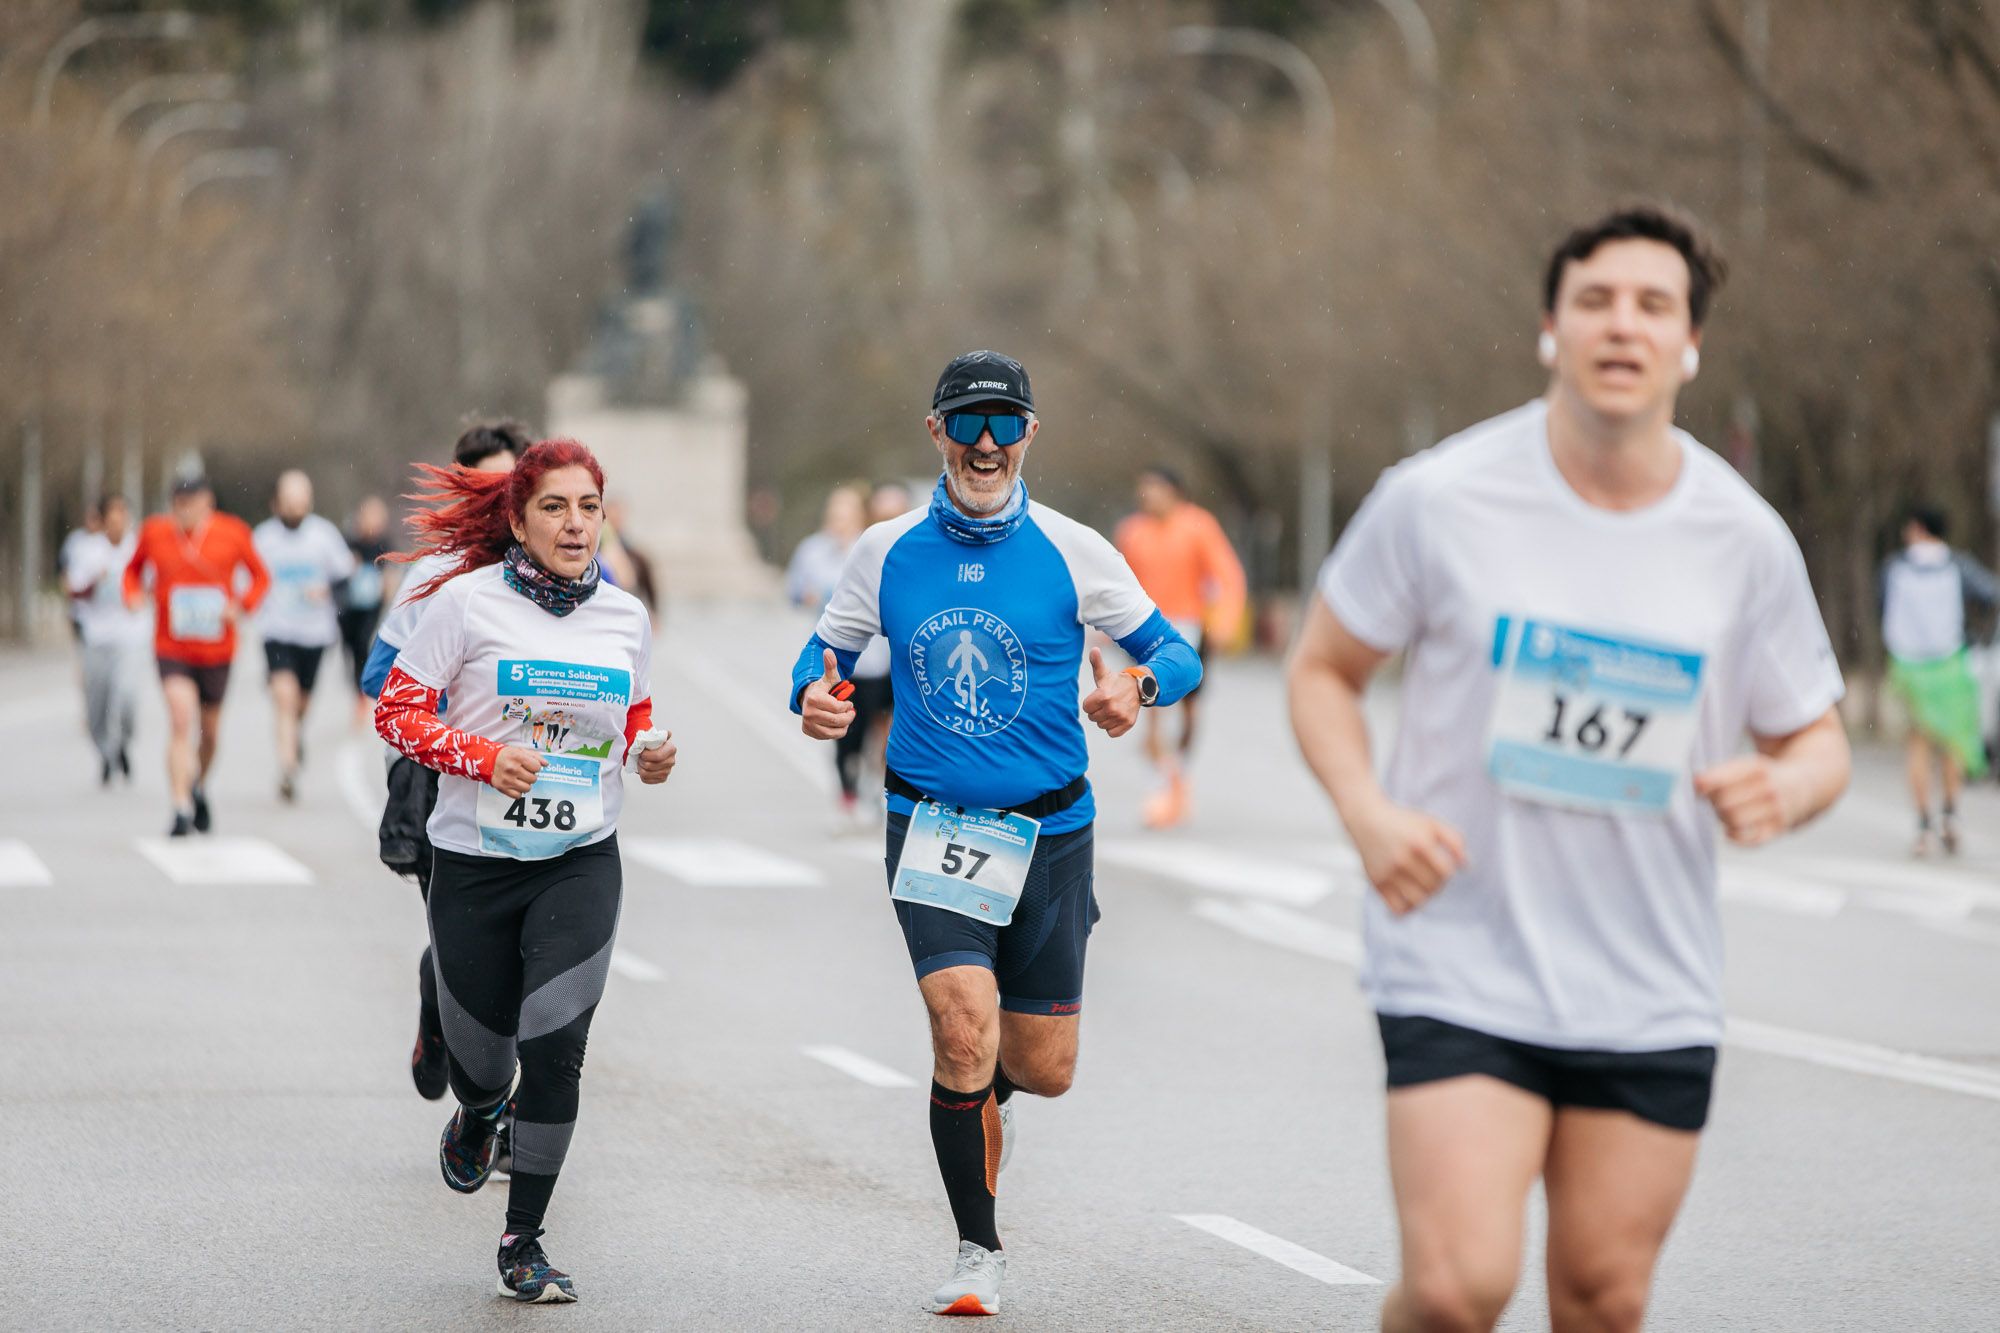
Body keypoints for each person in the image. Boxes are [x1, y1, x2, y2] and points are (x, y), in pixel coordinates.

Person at [1286, 203, 1851, 1333]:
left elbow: (1817, 736)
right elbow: (1321, 670)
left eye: (1653, 305)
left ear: (1689, 345)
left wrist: (1783, 787)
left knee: (1601, 1296)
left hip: (1647, 977)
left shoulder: (1741, 538)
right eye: (1592, 300)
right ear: (1550, 328)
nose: (1620, 325)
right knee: (1455, 1288)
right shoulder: (1439, 498)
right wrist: (1365, 811)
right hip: (1457, 952)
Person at [789, 351, 1201, 1316]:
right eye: (966, 423)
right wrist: (812, 691)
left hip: (1053, 830)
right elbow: (826, 648)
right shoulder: (885, 551)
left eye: (1003, 423)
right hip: (929, 822)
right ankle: (978, 1248)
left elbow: (1176, 652)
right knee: (961, 1026)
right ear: (935, 431)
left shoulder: (1074, 548)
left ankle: (980, 1102)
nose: (985, 444)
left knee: (1038, 1068)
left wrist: (1134, 688)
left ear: (1029, 435)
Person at [376, 437, 674, 1305]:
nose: (575, 523)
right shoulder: (463, 606)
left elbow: (634, 713)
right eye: (554, 506)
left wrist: (648, 752)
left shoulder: (625, 616)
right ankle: (476, 1109)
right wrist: (477, 756)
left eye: (588, 507)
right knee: (485, 1066)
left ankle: (524, 1239)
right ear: (517, 518)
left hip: (579, 858)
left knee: (558, 1044)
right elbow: (398, 711)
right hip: (473, 863)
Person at [361, 420, 529, 1105]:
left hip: (534, 785)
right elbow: (380, 677)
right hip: (446, 782)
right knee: (465, 949)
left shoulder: (561, 575)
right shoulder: (437, 576)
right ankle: (442, 1020)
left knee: (530, 949)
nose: (499, 499)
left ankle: (512, 1110)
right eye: (484, 486)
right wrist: (463, 712)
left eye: (511, 485)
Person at [124, 476, 271, 837]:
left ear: (208, 501)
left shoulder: (232, 531)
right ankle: (179, 807)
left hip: (217, 648)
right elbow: (132, 570)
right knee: (180, 719)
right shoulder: (155, 531)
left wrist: (241, 607)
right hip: (171, 646)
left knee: (210, 735)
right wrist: (132, 595)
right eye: (179, 502)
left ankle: (198, 785)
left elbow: (261, 577)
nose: (184, 509)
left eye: (191, 501)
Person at [1113, 465, 1247, 829]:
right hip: (1145, 628)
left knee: (1189, 712)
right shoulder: (1132, 531)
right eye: (1144, 489)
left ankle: (1179, 773)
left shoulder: (1198, 526)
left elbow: (1227, 576)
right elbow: (1119, 582)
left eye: (1155, 488)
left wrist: (1223, 624)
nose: (1149, 496)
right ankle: (1162, 785)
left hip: (1191, 628)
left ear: (1174, 492)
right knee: (1151, 706)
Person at [1880, 504, 1997, 855]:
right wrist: (1976, 633)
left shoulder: (1895, 568)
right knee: (1953, 743)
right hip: (1949, 664)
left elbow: (1882, 607)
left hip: (1910, 665)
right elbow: (1991, 593)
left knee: (1918, 744)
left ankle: (1922, 824)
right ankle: (1950, 813)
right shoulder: (1958, 566)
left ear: (1916, 527)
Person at [252, 470, 357, 801]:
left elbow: (344, 579)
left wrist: (325, 591)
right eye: (289, 500)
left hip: (314, 634)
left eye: (301, 500)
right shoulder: (263, 538)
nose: (296, 507)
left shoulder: (323, 535)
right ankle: (288, 768)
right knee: (284, 697)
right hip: (277, 630)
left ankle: (293, 736)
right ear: (277, 503)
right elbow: (248, 581)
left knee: (301, 703)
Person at [787, 485, 872, 825]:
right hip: (839, 664)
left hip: (880, 660)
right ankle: (848, 796)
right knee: (847, 734)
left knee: (882, 733)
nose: (840, 521)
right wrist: (807, 596)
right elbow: (793, 591)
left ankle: (877, 792)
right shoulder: (812, 551)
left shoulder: (871, 546)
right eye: (835, 514)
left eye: (847, 514)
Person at [64, 494, 147, 784]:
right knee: (96, 706)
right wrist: (92, 583)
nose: (117, 524)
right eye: (111, 519)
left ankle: (122, 743)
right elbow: (72, 590)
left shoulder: (139, 548)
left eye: (122, 518)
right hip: (96, 636)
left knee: (126, 696)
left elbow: (152, 585)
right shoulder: (87, 550)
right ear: (102, 522)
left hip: (129, 635)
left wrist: (140, 598)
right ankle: (105, 752)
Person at [339, 495, 394, 727]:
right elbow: (338, 568)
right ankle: (357, 692)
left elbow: (392, 573)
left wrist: (387, 590)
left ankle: (363, 696)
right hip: (349, 607)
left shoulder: (385, 544)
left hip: (372, 606)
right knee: (351, 649)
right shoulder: (349, 541)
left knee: (364, 644)